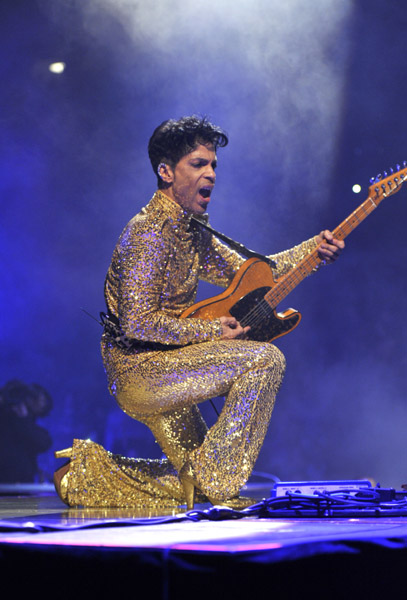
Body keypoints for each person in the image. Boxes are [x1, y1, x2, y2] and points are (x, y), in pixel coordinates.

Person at [54, 116, 344, 509]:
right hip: (142, 371)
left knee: (196, 484)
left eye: (213, 165)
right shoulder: (149, 232)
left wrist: (315, 250)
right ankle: (219, 484)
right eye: (198, 164)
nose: (211, 174)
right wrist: (212, 331)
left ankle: (86, 476)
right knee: (264, 360)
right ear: (166, 172)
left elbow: (257, 275)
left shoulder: (190, 231)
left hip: (172, 365)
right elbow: (139, 323)